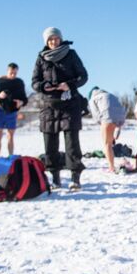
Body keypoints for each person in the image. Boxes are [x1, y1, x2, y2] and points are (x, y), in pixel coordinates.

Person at [32, 27, 88, 190]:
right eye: (50, 39)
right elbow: (34, 81)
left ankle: (75, 177)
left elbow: (83, 76)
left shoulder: (70, 54)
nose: (53, 42)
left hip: (69, 103)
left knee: (72, 143)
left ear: (61, 39)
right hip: (48, 106)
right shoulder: (41, 57)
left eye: (56, 38)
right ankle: (55, 177)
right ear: (46, 41)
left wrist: (68, 85)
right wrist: (44, 85)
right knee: (50, 144)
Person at [88, 86, 127, 173]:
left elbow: (96, 115)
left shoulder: (93, 98)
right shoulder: (110, 95)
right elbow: (120, 108)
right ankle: (115, 133)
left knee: (107, 144)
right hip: (120, 117)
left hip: (107, 117)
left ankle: (111, 168)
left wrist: (102, 125)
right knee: (111, 139)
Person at [0, 62, 28, 156]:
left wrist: (21, 102)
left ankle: (11, 157)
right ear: (7, 71)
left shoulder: (19, 82)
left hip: (12, 111)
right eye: (11, 72)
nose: (13, 75)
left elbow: (25, 99)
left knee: (10, 135)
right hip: (0, 110)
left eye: (15, 73)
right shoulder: (1, 81)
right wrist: (0, 96)